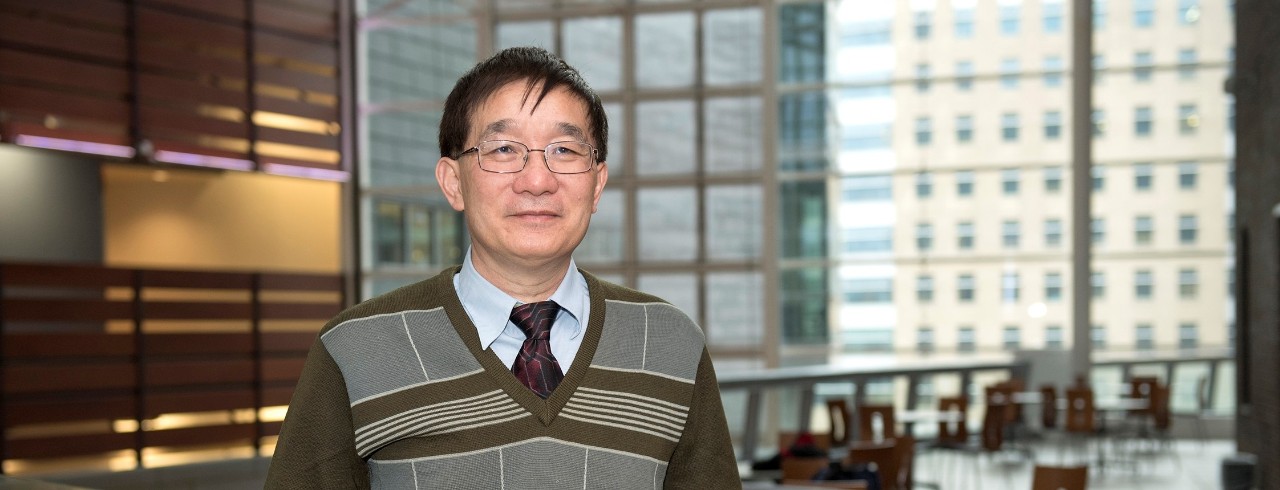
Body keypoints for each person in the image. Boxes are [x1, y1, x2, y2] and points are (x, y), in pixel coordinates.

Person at [265, 46, 740, 489]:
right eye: (503, 150)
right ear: (453, 183)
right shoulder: (355, 349)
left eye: (565, 151)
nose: (537, 179)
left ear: (597, 185)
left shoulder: (671, 344)